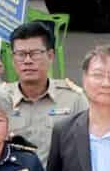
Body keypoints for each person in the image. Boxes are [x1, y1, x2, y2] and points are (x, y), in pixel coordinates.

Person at [5, 20, 85, 154]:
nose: (27, 61)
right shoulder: (0, 98)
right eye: (21, 54)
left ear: (50, 56)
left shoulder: (73, 99)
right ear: (13, 60)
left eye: (35, 53)